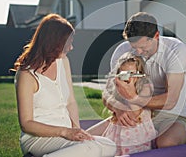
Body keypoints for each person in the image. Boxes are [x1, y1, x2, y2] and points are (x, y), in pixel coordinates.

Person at [11, 13, 116, 157]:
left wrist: (78, 132)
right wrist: (65, 132)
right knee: (91, 149)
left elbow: (70, 102)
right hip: (38, 139)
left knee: (109, 145)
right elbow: (26, 123)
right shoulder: (26, 75)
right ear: (53, 42)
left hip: (66, 135)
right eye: (68, 43)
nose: (71, 47)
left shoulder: (62, 62)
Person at [107, 12, 186, 148]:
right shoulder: (122, 51)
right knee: (93, 138)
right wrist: (118, 108)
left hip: (172, 116)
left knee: (166, 143)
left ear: (156, 36)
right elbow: (108, 94)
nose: (138, 52)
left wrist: (133, 98)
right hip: (134, 112)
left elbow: (170, 101)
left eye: (143, 47)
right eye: (135, 47)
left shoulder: (175, 49)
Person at [101, 52, 157, 156]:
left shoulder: (146, 87)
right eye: (124, 74)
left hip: (138, 136)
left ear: (140, 74)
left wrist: (130, 94)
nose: (129, 78)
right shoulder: (117, 87)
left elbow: (134, 114)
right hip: (117, 133)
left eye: (133, 74)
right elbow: (106, 97)